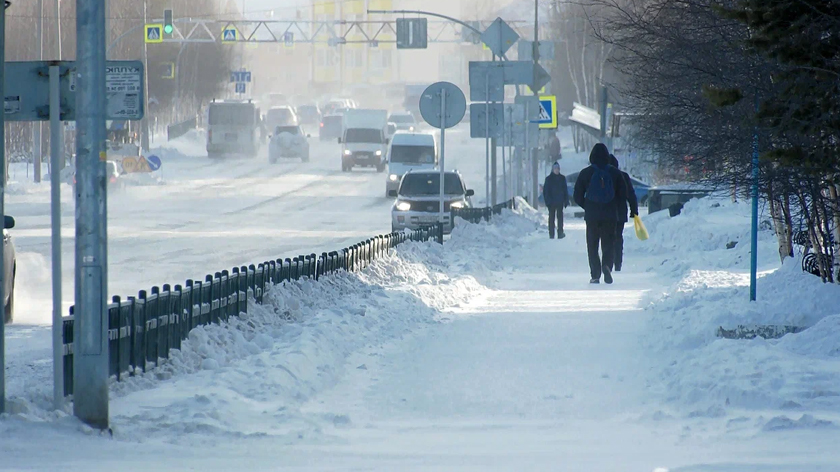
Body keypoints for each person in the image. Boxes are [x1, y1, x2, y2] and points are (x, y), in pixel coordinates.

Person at [573, 143, 626, 284]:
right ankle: (607, 265)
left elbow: (577, 195)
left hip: (592, 216)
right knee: (608, 243)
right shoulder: (615, 173)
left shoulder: (586, 173)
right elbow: (623, 194)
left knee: (592, 244)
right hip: (610, 215)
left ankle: (595, 274)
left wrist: (588, 206)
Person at [609, 154, 639, 272]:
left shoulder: (604, 176)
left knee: (607, 238)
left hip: (606, 212)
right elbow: (631, 195)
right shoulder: (624, 176)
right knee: (618, 237)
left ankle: (608, 262)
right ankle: (618, 263)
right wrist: (634, 210)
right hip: (620, 212)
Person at [543, 161, 569, 239]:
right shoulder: (549, 179)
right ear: (552, 169)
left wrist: (566, 200)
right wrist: (548, 202)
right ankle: (551, 233)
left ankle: (560, 232)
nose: (556, 170)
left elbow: (565, 190)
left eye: (558, 168)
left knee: (560, 218)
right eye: (555, 169)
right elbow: (546, 191)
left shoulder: (562, 178)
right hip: (551, 202)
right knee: (551, 218)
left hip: (560, 201)